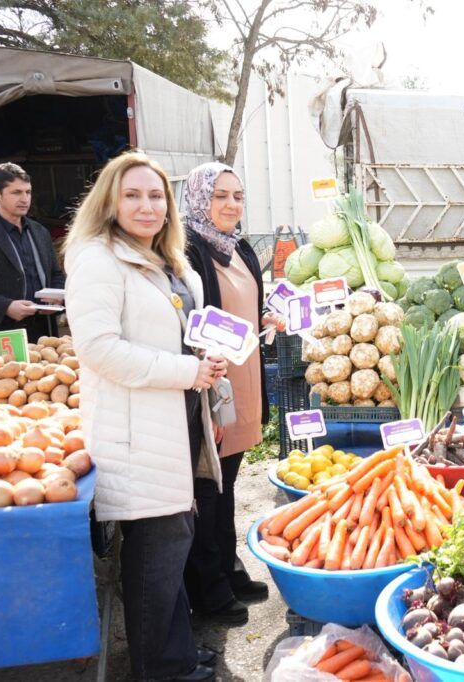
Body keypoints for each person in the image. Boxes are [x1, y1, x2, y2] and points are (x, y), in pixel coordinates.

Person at [64, 152, 226, 682]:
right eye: (132, 194)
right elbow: (98, 349)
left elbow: (186, 335)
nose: (146, 205)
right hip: (138, 432)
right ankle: (162, 668)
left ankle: (174, 651)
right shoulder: (97, 259)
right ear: (109, 200)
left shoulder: (165, 258)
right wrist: (185, 371)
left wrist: (208, 363)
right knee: (155, 555)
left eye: (156, 195)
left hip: (173, 423)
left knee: (172, 545)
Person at [181, 162, 272, 624]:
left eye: (238, 195)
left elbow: (247, 316)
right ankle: (209, 590)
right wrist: (210, 393)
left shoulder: (241, 248)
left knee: (229, 484)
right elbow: (192, 328)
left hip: (246, 384)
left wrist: (269, 320)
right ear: (200, 199)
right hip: (213, 389)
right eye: (220, 195)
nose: (232, 204)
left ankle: (228, 568)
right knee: (208, 491)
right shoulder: (187, 251)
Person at [0, 163, 65, 339]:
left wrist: (57, 296)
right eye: (16, 193)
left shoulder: (39, 231)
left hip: (43, 330)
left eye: (27, 192)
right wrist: (5, 306)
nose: (24, 199)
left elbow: (55, 273)